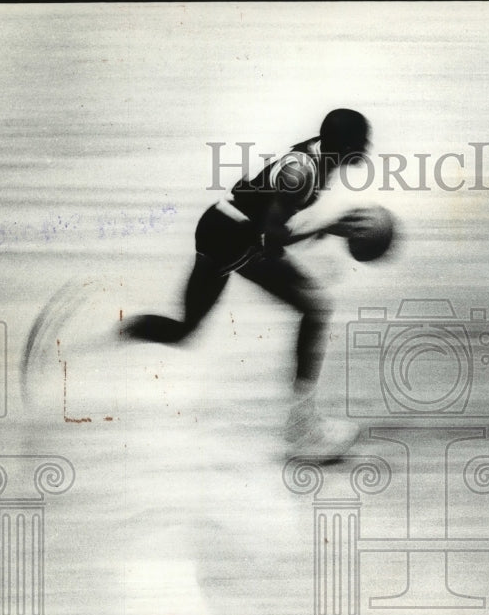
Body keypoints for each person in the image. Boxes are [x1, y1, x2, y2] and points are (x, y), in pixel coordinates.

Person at [122, 108, 375, 460]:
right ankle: (301, 429)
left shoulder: (320, 159)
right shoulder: (300, 173)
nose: (368, 146)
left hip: (225, 226)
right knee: (314, 309)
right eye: (363, 139)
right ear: (345, 144)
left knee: (185, 331)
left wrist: (320, 231)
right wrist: (325, 228)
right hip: (232, 236)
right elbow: (272, 240)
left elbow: (273, 220)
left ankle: (113, 333)